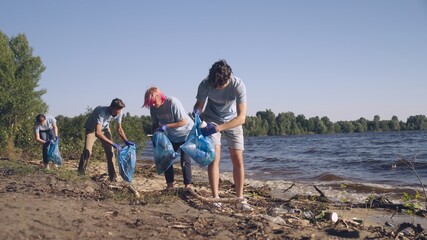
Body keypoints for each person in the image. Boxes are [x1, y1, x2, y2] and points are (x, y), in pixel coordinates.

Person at [193, 59, 252, 211]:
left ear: (229, 78)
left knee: (237, 158)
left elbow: (242, 117)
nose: (217, 88)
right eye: (215, 85)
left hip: (233, 121)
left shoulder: (238, 85)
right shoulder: (205, 84)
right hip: (211, 119)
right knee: (214, 157)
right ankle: (215, 198)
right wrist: (197, 115)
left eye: (221, 85)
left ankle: (239, 199)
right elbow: (199, 107)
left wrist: (220, 128)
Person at [143, 86, 194, 189]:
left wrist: (166, 126)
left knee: (184, 160)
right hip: (172, 135)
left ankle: (187, 186)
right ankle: (170, 185)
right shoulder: (153, 108)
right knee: (166, 158)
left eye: (153, 102)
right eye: (150, 103)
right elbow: (155, 124)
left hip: (187, 133)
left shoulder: (172, 102)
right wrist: (154, 137)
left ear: (159, 96)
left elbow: (184, 121)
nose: (152, 105)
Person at [78, 98, 134, 182]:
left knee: (110, 153)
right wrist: (114, 144)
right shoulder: (102, 112)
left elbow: (119, 129)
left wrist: (126, 141)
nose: (116, 114)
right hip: (92, 129)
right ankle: (80, 173)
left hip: (105, 129)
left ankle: (113, 177)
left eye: (118, 112)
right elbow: (98, 133)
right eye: (115, 112)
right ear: (111, 107)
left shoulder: (119, 111)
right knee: (87, 151)